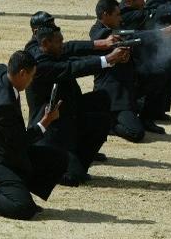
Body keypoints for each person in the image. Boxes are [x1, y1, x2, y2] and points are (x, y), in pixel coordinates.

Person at [0, 51, 67, 219]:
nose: (31, 81)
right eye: (31, 76)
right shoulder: (3, 107)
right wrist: (45, 121)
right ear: (22, 73)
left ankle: (15, 190)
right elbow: (22, 141)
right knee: (23, 208)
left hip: (3, 148)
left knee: (58, 159)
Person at [25, 25, 128, 186]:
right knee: (73, 177)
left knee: (101, 106)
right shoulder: (41, 66)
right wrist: (107, 59)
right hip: (51, 134)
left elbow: (74, 51)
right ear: (45, 43)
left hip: (67, 118)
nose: (62, 45)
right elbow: (72, 67)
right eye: (59, 42)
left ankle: (77, 159)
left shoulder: (46, 49)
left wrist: (106, 49)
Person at [90, 0, 145, 142]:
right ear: (105, 14)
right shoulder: (98, 32)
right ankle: (110, 124)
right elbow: (104, 37)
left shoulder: (119, 29)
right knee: (136, 133)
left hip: (126, 93)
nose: (120, 18)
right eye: (117, 15)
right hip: (114, 97)